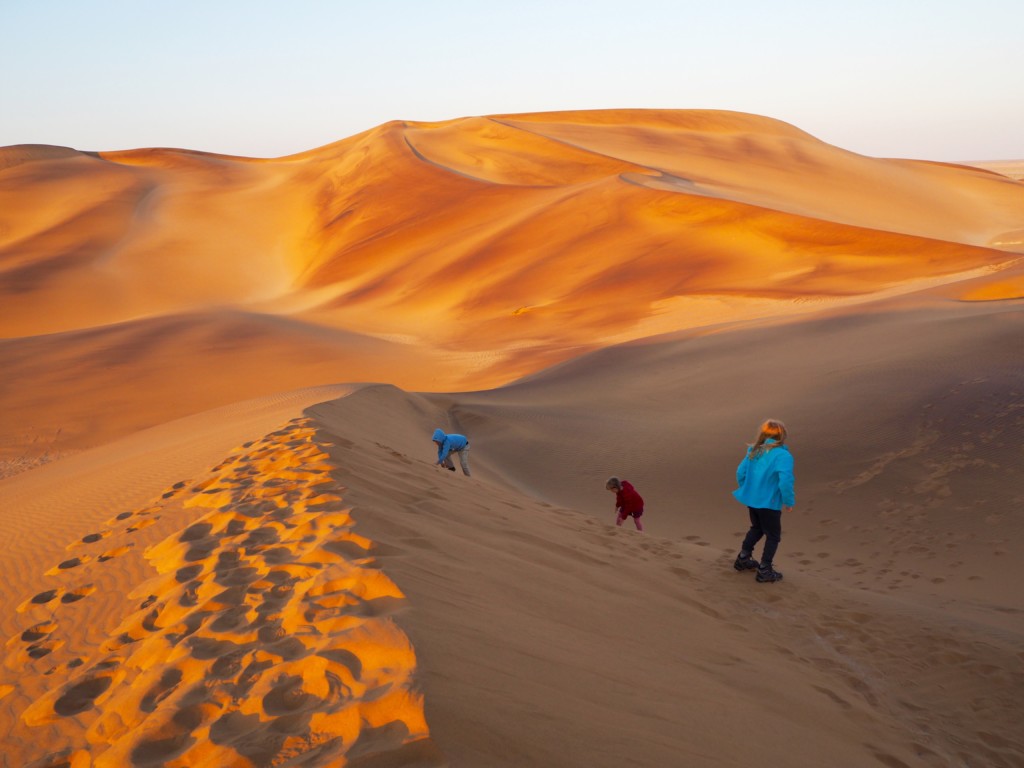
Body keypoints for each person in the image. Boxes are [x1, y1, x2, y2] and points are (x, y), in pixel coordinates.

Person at [732, 419, 794, 583]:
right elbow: (785, 481)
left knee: (757, 528)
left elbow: (740, 472)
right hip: (769, 503)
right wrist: (788, 501)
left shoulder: (754, 450)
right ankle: (765, 569)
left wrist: (747, 489)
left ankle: (743, 558)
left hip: (753, 500)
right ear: (782, 436)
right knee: (773, 535)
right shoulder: (783, 455)